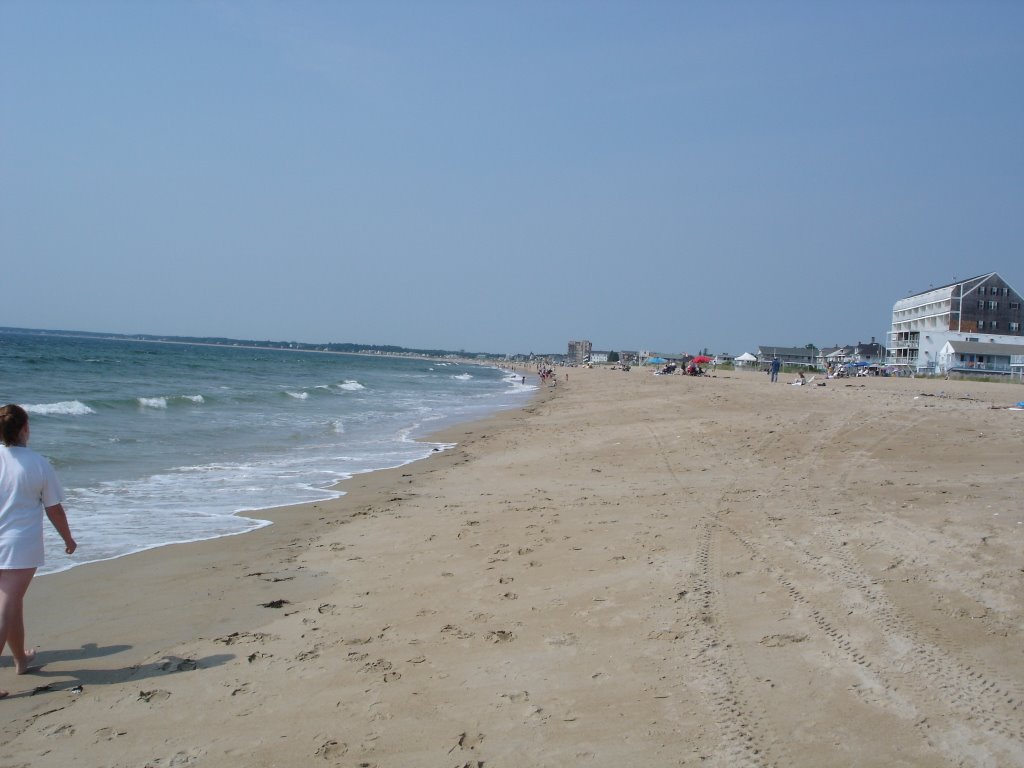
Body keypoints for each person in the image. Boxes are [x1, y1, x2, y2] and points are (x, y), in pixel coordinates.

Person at [0, 404, 76, 697]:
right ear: (25, 429)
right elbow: (54, 509)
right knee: (7, 606)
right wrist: (68, 538)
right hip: (20, 546)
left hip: (12, 546)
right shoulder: (37, 463)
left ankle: (20, 659)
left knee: (13, 604)